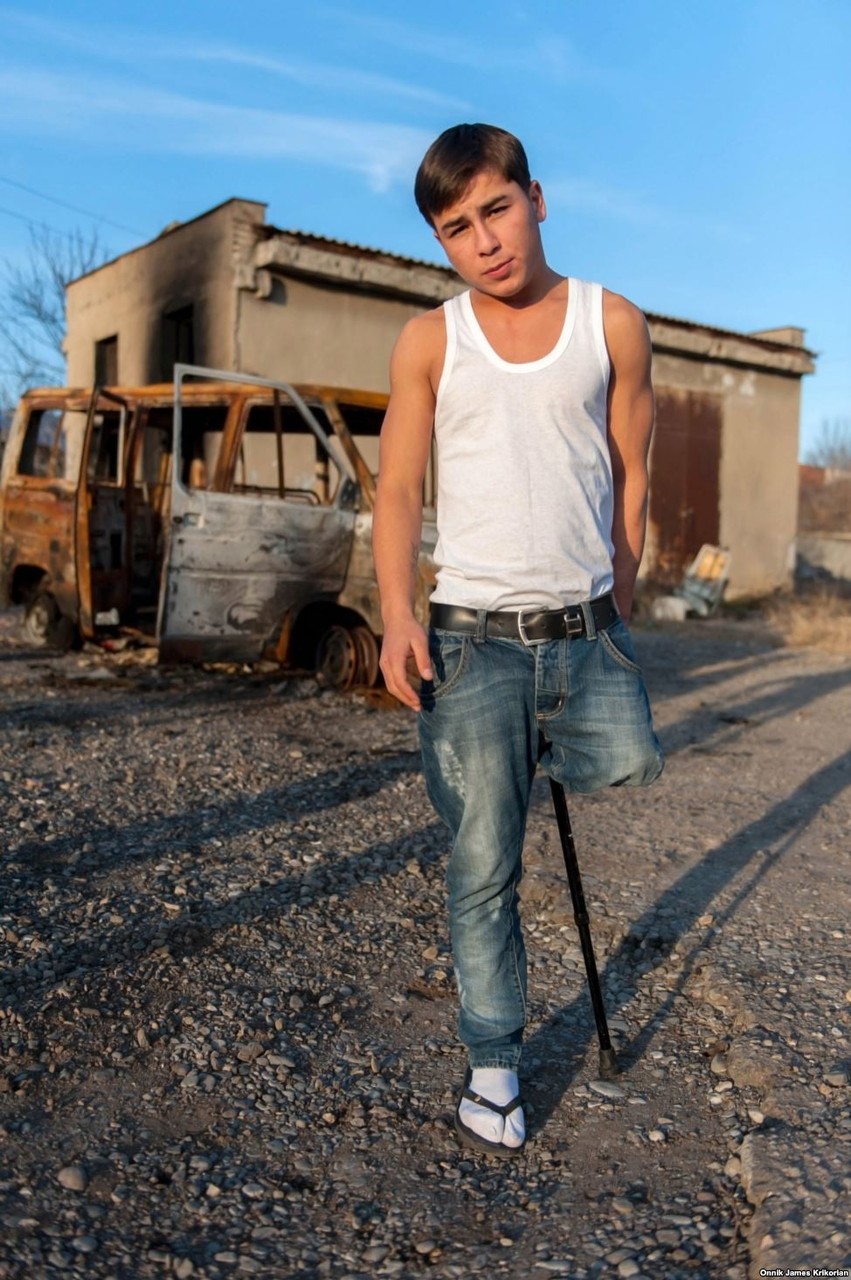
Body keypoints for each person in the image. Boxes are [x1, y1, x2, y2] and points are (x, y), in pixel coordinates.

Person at [373, 123, 664, 1158]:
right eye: (458, 228)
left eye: (496, 210)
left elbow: (631, 467)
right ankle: (493, 1058)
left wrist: (622, 580)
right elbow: (398, 487)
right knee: (484, 859)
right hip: (472, 641)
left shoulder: (610, 322)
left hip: (584, 631)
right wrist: (396, 613)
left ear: (535, 200)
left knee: (630, 761)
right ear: (440, 241)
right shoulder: (430, 340)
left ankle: (532, 758)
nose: (484, 241)